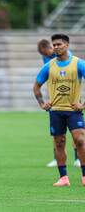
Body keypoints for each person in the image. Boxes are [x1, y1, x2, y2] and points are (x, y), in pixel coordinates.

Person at [33, 34, 85, 187]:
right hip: (55, 111)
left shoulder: (78, 64)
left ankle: (84, 176)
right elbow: (36, 86)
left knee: (80, 141)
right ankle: (63, 178)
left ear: (67, 45)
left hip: (73, 111)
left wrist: (83, 105)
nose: (56, 47)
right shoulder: (49, 66)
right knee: (59, 143)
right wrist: (42, 103)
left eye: (59, 44)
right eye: (54, 45)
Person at [37, 39, 80, 168]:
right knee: (57, 135)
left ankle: (77, 158)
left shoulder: (69, 58)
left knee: (76, 134)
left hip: (71, 100)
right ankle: (57, 159)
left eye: (45, 52)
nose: (45, 55)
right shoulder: (48, 60)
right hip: (56, 101)